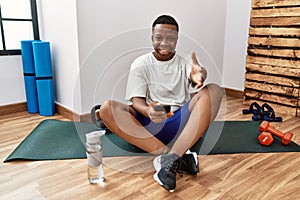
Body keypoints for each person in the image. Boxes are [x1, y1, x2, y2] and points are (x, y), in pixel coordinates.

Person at [99, 14, 223, 192]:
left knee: (214, 90)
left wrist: (199, 74)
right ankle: (172, 157)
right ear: (152, 38)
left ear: (177, 40)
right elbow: (137, 102)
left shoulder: (185, 62)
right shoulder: (140, 64)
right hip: (149, 125)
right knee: (106, 108)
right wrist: (148, 111)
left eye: (170, 38)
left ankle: (171, 157)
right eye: (159, 38)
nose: (164, 43)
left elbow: (197, 74)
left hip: (179, 122)